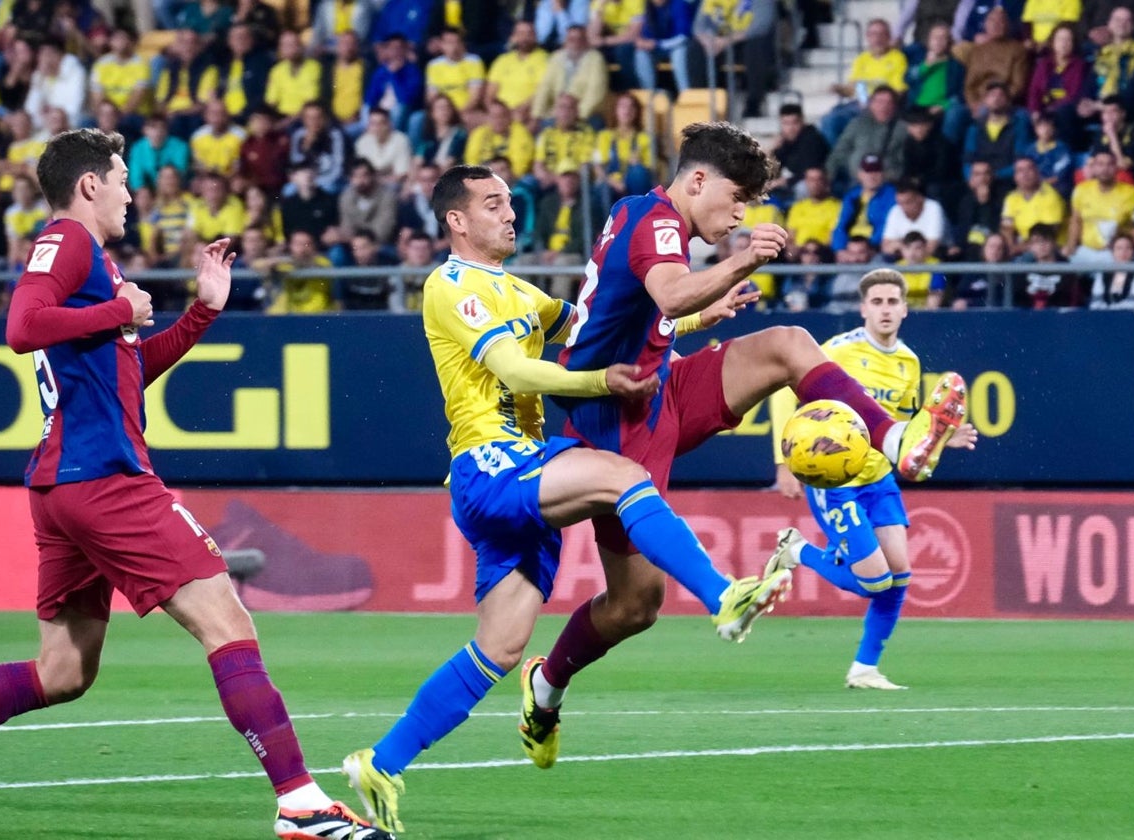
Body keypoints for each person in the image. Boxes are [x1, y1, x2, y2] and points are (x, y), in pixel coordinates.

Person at [0, 129, 389, 840]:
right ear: (89, 185)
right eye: (121, 177)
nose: (131, 191)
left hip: (64, 486)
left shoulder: (91, 260)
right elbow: (22, 326)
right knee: (228, 623)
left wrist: (202, 312)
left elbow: (126, 372)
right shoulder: (67, 242)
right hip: (106, 479)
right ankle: (301, 805)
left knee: (62, 671)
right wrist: (122, 309)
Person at [341, 163, 793, 832]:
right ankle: (723, 595)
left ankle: (380, 762)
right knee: (621, 476)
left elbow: (593, 333)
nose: (508, 212)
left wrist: (702, 315)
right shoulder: (450, 285)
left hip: (520, 475)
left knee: (498, 648)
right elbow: (517, 369)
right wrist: (603, 384)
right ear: (456, 221)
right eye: (492, 204)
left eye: (510, 203)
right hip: (492, 464)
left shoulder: (519, 290)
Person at [521, 122, 970, 767]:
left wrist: (704, 314)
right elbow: (670, 291)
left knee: (788, 342)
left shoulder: (647, 219)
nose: (738, 214)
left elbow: (653, 310)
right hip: (609, 427)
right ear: (697, 180)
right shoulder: (655, 222)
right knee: (636, 606)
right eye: (736, 198)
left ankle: (896, 437)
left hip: (662, 387)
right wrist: (744, 256)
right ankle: (548, 683)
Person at [767, 268, 978, 689]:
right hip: (836, 478)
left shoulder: (908, 362)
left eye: (892, 302)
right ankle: (797, 551)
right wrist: (783, 460)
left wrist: (941, 440)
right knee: (874, 580)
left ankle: (864, 668)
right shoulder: (837, 351)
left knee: (898, 577)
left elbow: (898, 425)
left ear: (905, 309)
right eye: (876, 302)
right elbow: (783, 390)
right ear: (863, 308)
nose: (885, 309)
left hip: (878, 477)